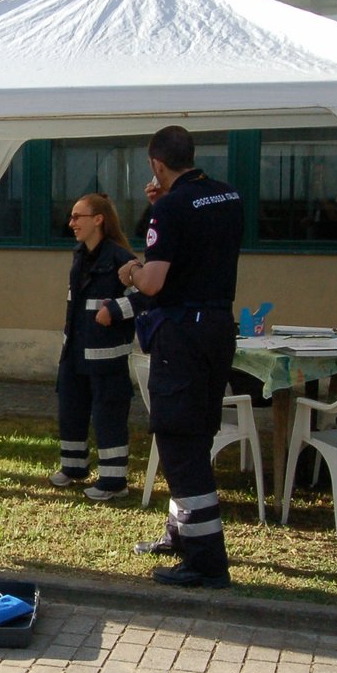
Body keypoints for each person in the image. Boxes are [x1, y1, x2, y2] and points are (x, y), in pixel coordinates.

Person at [117, 125, 244, 588]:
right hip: (216, 328)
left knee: (177, 439)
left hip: (182, 335)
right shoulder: (227, 196)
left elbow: (152, 281)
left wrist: (130, 270)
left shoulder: (170, 209)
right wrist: (162, 209)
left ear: (157, 164)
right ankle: (181, 534)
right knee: (196, 435)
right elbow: (202, 246)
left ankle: (206, 562)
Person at [51, 193, 138, 501]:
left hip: (106, 357)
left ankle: (114, 481)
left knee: (108, 415)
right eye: (72, 217)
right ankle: (73, 467)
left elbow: (147, 297)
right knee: (71, 409)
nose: (71, 222)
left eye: (78, 217)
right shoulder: (80, 255)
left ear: (98, 220)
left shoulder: (120, 258)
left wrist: (114, 311)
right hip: (75, 351)